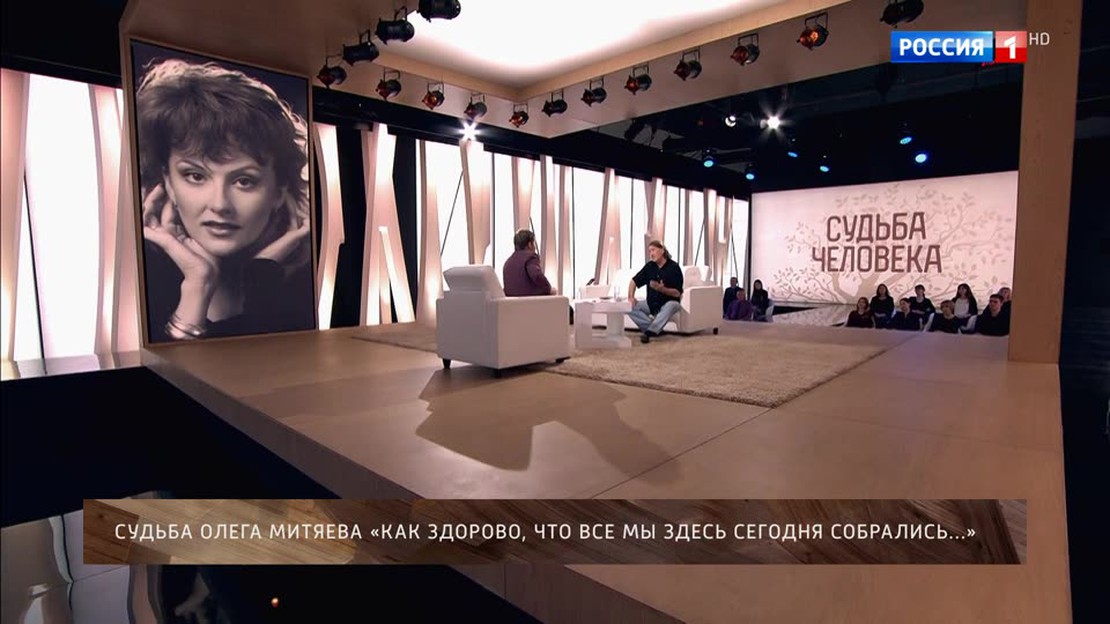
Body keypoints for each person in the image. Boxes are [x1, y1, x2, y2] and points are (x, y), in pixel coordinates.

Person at [136, 58, 314, 343]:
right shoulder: (138, 286)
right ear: (167, 182)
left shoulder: (304, 287)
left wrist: (262, 276)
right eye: (195, 176)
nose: (219, 204)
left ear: (279, 192)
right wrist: (198, 284)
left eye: (244, 181)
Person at [627, 240, 684, 343]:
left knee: (672, 305)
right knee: (628, 306)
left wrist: (661, 289)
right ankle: (655, 329)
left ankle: (649, 332)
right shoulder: (649, 266)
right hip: (651, 304)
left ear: (662, 251)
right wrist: (631, 297)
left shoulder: (674, 267)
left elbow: (677, 293)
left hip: (668, 303)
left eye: (653, 250)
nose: (651, 254)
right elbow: (633, 282)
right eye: (649, 251)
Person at [502, 229, 554, 297]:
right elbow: (536, 275)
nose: (535, 248)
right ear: (529, 244)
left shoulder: (507, 263)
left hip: (511, 301)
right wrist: (548, 288)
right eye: (533, 244)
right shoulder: (530, 257)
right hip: (531, 300)